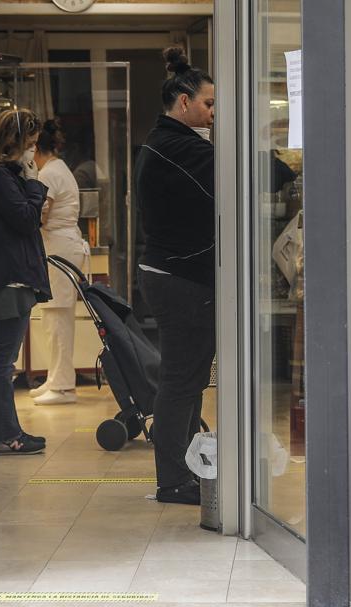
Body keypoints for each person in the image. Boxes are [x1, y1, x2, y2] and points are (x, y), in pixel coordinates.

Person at [133, 47, 216, 505]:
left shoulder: (172, 143)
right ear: (182, 102)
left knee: (187, 379)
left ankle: (187, 469)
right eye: (207, 104)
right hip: (180, 279)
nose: (212, 113)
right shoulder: (176, 147)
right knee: (182, 381)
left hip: (175, 274)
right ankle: (173, 480)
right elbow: (259, 172)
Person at [0, 108, 50, 455]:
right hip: (7, 278)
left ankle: (7, 431)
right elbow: (26, 219)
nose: (33, 151)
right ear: (15, 143)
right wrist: (33, 183)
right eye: (30, 144)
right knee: (3, 361)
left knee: (3, 359)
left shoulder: (0, 174)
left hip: (11, 277)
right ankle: (5, 435)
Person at [29, 118, 89, 406]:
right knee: (55, 317)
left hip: (58, 247)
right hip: (61, 246)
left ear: (35, 148)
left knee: (58, 318)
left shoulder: (49, 175)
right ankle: (56, 378)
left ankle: (63, 385)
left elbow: (41, 214)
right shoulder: (58, 168)